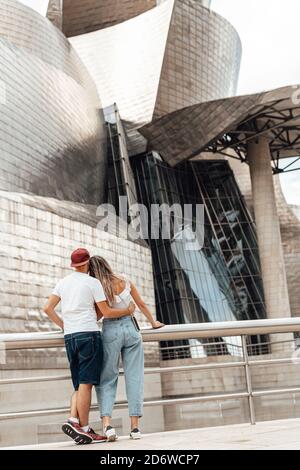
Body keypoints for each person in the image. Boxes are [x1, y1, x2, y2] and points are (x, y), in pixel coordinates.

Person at [43, 248, 136, 445]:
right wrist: (127, 310)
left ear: (73, 265)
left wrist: (64, 326)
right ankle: (84, 429)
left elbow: (47, 308)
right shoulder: (93, 283)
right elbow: (107, 312)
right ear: (87, 264)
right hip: (89, 335)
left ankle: (73, 419)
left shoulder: (63, 282)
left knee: (79, 383)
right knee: (86, 383)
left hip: (70, 337)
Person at [89, 255, 164, 442]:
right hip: (131, 330)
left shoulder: (99, 287)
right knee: (134, 377)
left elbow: (100, 315)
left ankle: (107, 425)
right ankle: (135, 428)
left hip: (111, 332)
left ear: (93, 271)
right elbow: (141, 304)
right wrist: (153, 322)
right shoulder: (124, 280)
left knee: (107, 378)